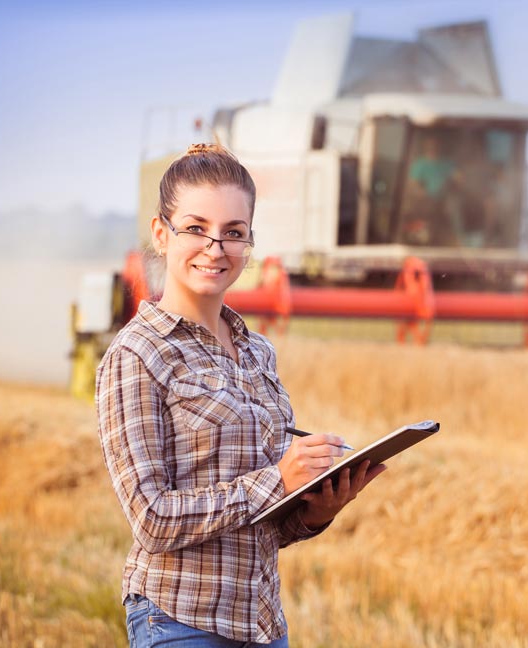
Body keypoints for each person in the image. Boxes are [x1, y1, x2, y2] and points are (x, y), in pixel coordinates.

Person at [96, 143, 386, 647]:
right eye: (196, 228)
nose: (215, 247)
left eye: (233, 233)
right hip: (179, 622)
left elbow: (260, 525)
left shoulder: (258, 353)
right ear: (161, 235)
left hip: (263, 624)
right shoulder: (138, 354)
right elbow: (151, 520)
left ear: (249, 244)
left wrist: (313, 512)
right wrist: (276, 478)